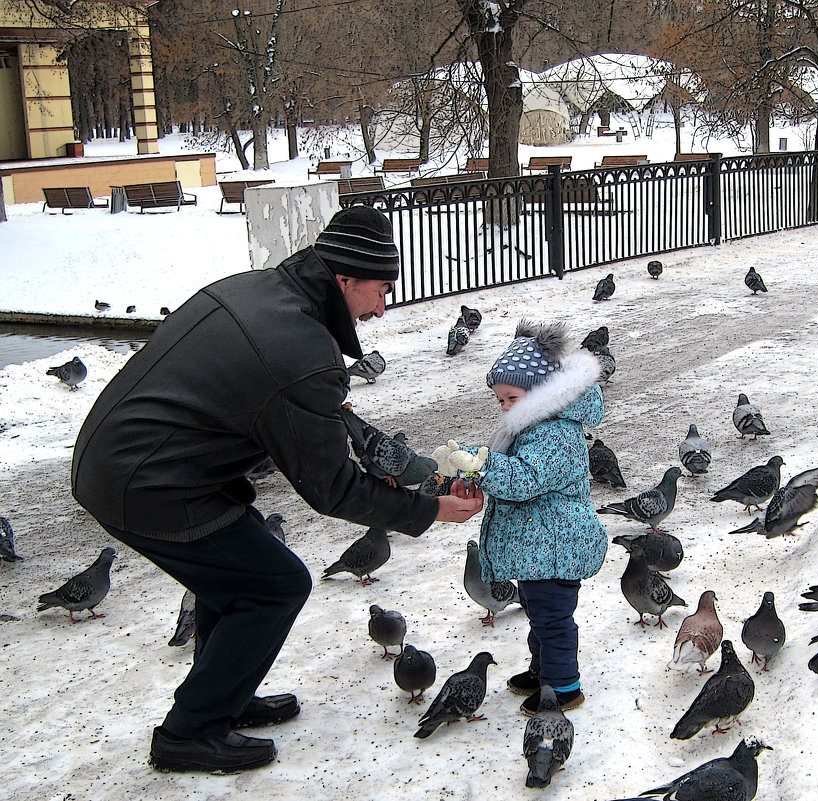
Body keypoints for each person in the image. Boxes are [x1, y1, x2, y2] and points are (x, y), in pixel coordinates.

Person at [70, 205, 483, 773]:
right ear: (344, 281)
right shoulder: (301, 350)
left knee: (235, 580)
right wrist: (428, 509)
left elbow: (249, 392)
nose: (382, 307)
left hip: (128, 458)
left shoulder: (261, 288)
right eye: (380, 290)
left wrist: (318, 415)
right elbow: (330, 490)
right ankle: (190, 732)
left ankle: (223, 700)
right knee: (273, 585)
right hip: (147, 481)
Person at [438, 319, 607, 716]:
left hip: (556, 548)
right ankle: (543, 669)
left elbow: (525, 479)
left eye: (511, 397)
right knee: (538, 614)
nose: (505, 407)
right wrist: (470, 465)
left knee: (552, 619)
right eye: (500, 400)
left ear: (540, 393)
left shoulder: (556, 433)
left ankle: (563, 685)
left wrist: (481, 463)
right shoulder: (532, 429)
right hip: (540, 548)